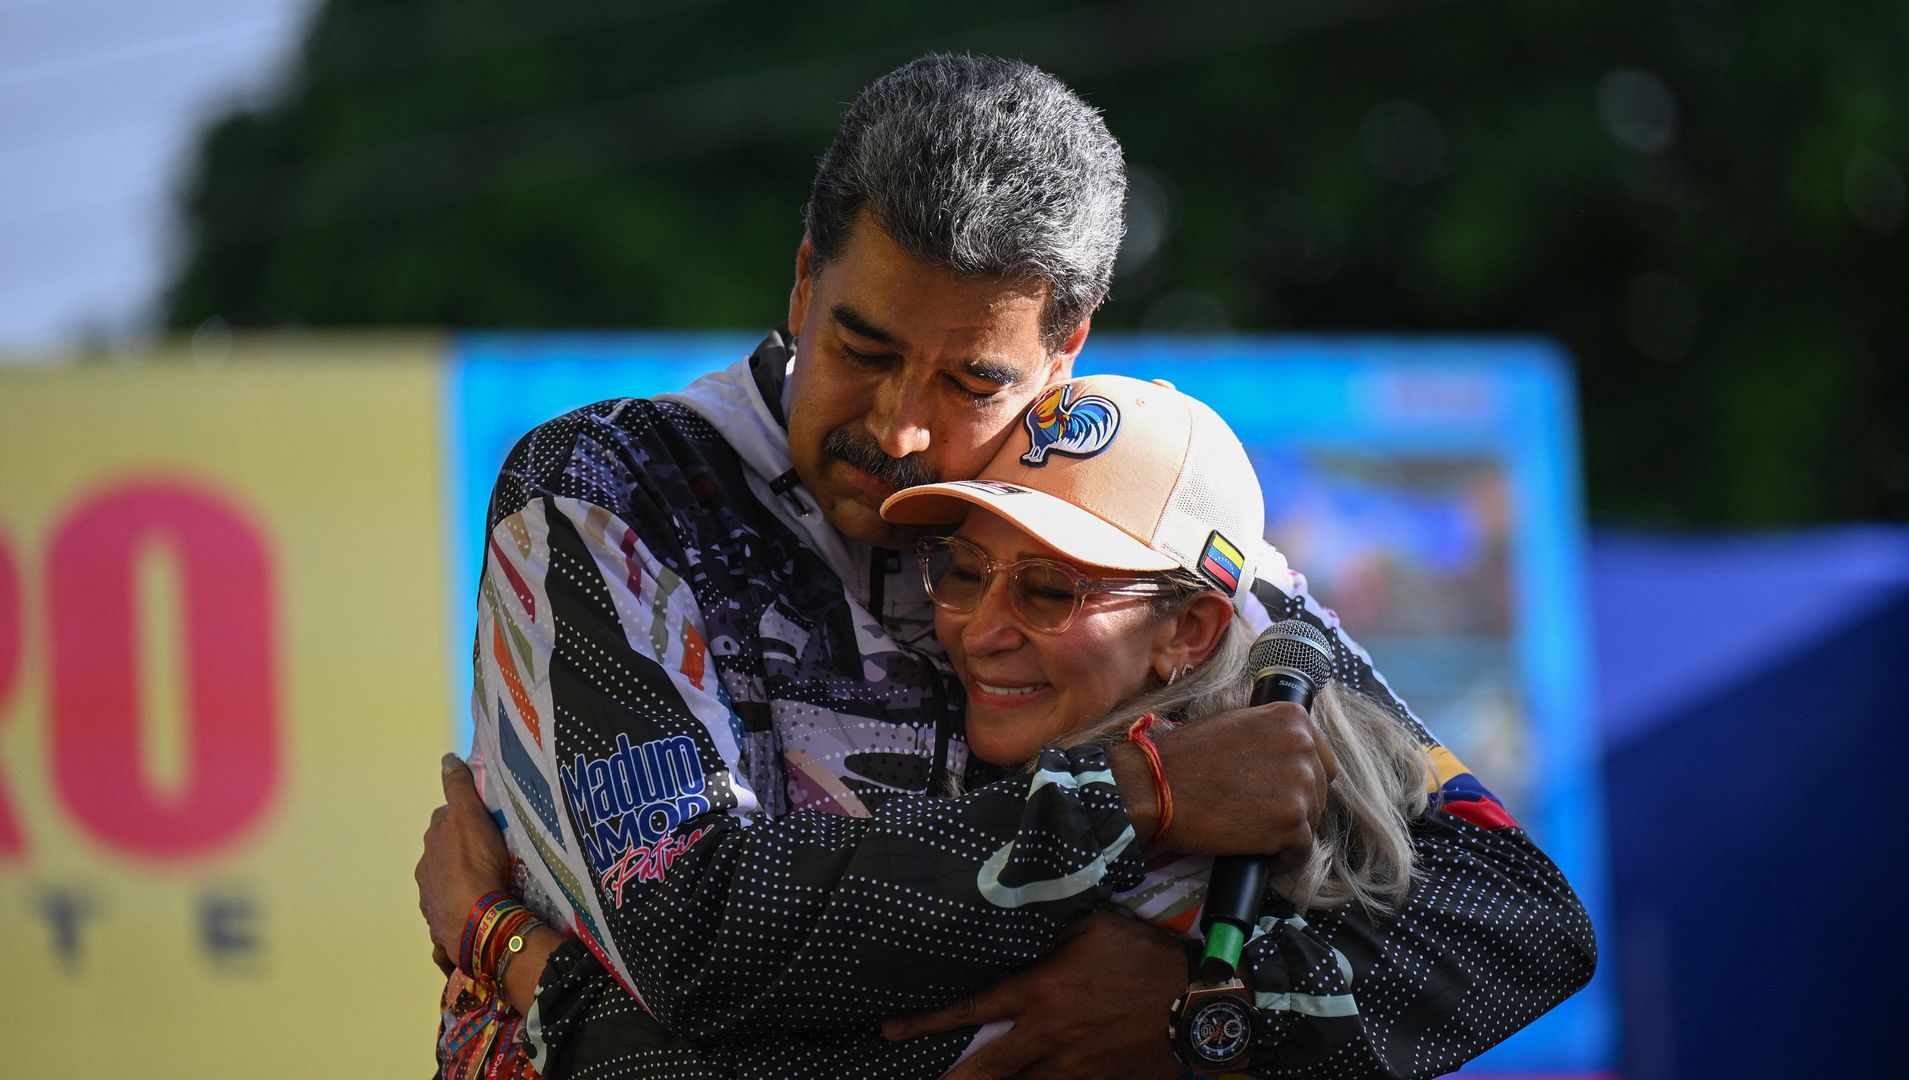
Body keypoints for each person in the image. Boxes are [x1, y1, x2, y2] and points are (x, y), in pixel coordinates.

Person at [416, 52, 1596, 1080]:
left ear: (1065, 346)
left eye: (971, 380)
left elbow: (1511, 914)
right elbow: (699, 940)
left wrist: (1195, 1013)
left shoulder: (1154, 544)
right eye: (863, 349)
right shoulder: (610, 487)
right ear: (801, 286)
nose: (903, 429)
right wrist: (1146, 792)